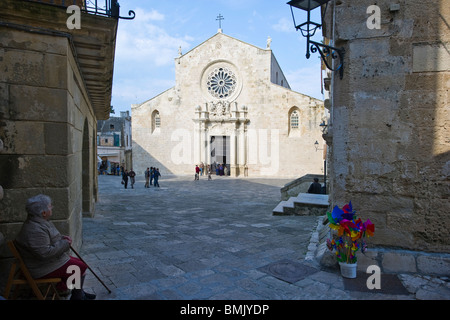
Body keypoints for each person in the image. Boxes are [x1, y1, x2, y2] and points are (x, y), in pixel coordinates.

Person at [14, 195, 96, 300]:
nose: (52, 207)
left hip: (48, 262)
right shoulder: (34, 229)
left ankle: (79, 293)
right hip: (42, 267)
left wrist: (62, 238)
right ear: (43, 213)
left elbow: (49, 238)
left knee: (80, 263)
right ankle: (77, 296)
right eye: (50, 206)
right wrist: (64, 243)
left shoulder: (39, 222)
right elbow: (45, 253)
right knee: (78, 268)